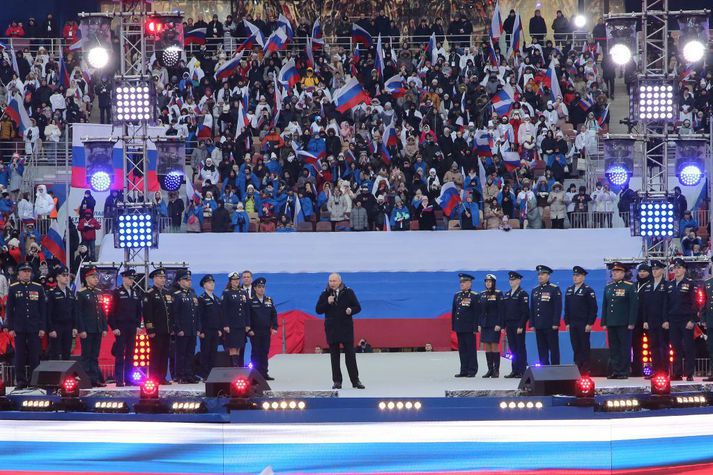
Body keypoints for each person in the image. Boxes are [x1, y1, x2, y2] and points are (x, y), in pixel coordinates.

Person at [315, 273, 365, 389]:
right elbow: (318, 310)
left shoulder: (348, 292)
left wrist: (350, 310)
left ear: (340, 281)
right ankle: (337, 381)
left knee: (350, 355)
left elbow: (358, 307)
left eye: (334, 281)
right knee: (334, 356)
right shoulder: (325, 293)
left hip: (346, 329)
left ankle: (355, 381)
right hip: (332, 329)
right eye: (330, 281)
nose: (332, 283)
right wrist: (327, 302)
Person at [4, 263, 46, 389]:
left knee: (35, 355)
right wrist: (10, 327)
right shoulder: (13, 288)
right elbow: (10, 310)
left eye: (29, 271)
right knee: (20, 355)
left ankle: (35, 380)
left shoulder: (38, 288)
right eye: (24, 271)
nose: (27, 273)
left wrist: (42, 327)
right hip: (19, 327)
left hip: (34, 327)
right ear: (19, 273)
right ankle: (21, 381)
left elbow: (42, 309)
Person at [601, 262, 638, 379]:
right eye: (613, 271)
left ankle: (624, 371)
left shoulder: (629, 286)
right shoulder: (608, 287)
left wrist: (631, 322)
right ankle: (616, 370)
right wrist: (604, 322)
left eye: (617, 271)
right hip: (611, 322)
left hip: (624, 323)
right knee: (614, 348)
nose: (614, 273)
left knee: (624, 348)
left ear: (623, 273)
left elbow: (634, 306)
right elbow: (605, 305)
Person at [75, 265, 108, 387]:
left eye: (96, 277)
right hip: (87, 329)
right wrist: (81, 329)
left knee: (95, 355)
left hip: (97, 328)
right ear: (87, 278)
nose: (96, 279)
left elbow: (102, 312)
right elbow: (79, 314)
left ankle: (95, 379)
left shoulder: (98, 293)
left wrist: (104, 327)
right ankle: (86, 379)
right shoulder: (81, 293)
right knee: (86, 355)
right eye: (93, 277)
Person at [108, 269, 142, 386]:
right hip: (121, 327)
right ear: (124, 278)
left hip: (132, 327)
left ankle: (129, 379)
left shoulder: (136, 292)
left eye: (133, 279)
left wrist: (138, 325)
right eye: (130, 278)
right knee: (119, 353)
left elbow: (139, 311)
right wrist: (114, 327)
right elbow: (111, 312)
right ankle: (118, 379)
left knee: (130, 354)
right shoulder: (117, 292)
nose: (132, 281)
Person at [666, 258, 697, 381]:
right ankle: (677, 372)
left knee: (688, 347)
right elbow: (666, 304)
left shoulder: (690, 284)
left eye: (679, 268)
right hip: (673, 319)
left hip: (686, 320)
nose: (676, 270)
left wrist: (693, 320)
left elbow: (695, 303)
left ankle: (689, 373)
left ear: (684, 269)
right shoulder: (670, 285)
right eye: (675, 268)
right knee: (675, 347)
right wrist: (666, 319)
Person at [564, 266, 598, 374]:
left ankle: (585, 367)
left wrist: (590, 323)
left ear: (583, 277)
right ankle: (577, 365)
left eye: (577, 275)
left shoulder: (588, 290)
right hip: (573, 323)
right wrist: (567, 322)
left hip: (583, 323)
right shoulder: (569, 290)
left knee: (584, 345)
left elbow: (593, 308)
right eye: (574, 275)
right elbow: (567, 308)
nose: (575, 277)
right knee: (575, 345)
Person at [143, 268, 172, 384]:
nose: (163, 279)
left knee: (165, 354)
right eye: (160, 277)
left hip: (166, 329)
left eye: (164, 277)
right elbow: (147, 313)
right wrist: (150, 329)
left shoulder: (166, 293)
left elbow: (170, 312)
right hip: (156, 330)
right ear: (154, 278)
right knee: (155, 354)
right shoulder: (149, 294)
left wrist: (172, 327)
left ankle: (162, 376)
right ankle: (154, 377)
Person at [641, 260, 669, 377]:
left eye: (657, 269)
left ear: (662, 270)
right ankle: (656, 370)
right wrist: (645, 320)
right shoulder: (648, 286)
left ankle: (664, 370)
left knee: (663, 346)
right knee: (653, 346)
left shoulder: (667, 285)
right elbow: (645, 305)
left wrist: (666, 320)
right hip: (651, 321)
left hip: (662, 321)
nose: (654, 271)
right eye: (653, 269)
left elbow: (667, 304)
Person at [171, 269, 199, 384]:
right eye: (186, 280)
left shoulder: (192, 294)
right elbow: (175, 313)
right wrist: (178, 328)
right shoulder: (176, 295)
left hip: (192, 329)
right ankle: (180, 375)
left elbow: (196, 313)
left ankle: (189, 374)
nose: (189, 282)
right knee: (181, 354)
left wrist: (198, 328)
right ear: (179, 281)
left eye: (190, 280)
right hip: (183, 330)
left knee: (190, 353)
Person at [530, 265, 562, 365]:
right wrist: (532, 323)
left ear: (548, 276)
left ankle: (555, 369)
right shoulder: (535, 290)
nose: (540, 276)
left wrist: (556, 322)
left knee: (553, 349)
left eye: (543, 274)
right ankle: (544, 369)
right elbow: (533, 308)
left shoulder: (554, 289)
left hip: (550, 325)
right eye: (539, 274)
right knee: (541, 349)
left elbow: (558, 307)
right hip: (539, 325)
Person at [247, 277, 278, 381]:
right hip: (255, 331)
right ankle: (255, 374)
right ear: (255, 288)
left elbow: (273, 314)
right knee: (256, 352)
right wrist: (249, 329)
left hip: (265, 331)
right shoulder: (251, 301)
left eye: (263, 287)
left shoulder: (268, 300)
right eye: (259, 287)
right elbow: (248, 316)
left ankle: (264, 373)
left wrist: (274, 327)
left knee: (264, 352)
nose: (261, 289)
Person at [450, 273, 479, 378]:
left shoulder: (474, 296)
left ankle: (472, 370)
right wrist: (454, 326)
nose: (461, 284)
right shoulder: (457, 295)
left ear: (470, 283)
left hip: (469, 327)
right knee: (462, 349)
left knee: (470, 349)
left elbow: (477, 313)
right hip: (459, 327)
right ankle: (463, 370)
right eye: (461, 282)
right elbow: (454, 312)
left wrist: (476, 327)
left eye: (464, 282)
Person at [503, 271, 529, 378]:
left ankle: (522, 370)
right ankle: (514, 369)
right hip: (509, 325)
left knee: (520, 348)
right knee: (512, 349)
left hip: (518, 325)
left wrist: (521, 325)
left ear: (519, 281)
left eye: (513, 280)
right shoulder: (507, 294)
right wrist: (504, 325)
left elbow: (525, 312)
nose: (511, 281)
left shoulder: (523, 294)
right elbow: (505, 311)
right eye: (510, 280)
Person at [222, 272, 250, 367]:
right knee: (233, 346)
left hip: (241, 324)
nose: (236, 281)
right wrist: (225, 324)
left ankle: (237, 364)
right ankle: (234, 365)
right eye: (234, 280)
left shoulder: (243, 292)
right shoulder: (226, 293)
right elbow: (224, 310)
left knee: (239, 346)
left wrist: (247, 324)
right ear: (230, 281)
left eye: (237, 279)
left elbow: (246, 309)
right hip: (231, 324)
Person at [47, 266, 75, 360]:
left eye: (67, 275)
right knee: (54, 351)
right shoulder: (52, 293)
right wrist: (50, 329)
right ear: (57, 277)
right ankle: (54, 374)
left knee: (67, 351)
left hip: (68, 326)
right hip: (56, 326)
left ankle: (66, 375)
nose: (67, 277)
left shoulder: (70, 293)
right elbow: (48, 313)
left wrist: (75, 327)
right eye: (64, 275)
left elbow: (74, 311)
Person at [197, 274, 222, 379]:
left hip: (215, 330)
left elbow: (220, 315)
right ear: (204, 285)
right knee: (205, 352)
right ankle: (205, 374)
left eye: (213, 282)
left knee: (213, 353)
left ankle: (212, 373)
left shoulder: (216, 299)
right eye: (209, 282)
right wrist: (200, 330)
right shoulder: (201, 298)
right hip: (206, 330)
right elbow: (199, 316)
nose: (212, 284)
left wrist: (220, 329)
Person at [478, 274, 504, 378]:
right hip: (485, 323)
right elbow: (480, 311)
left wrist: (499, 324)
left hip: (494, 324)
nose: (488, 283)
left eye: (490, 281)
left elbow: (501, 310)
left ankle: (496, 370)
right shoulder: (482, 294)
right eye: (486, 281)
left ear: (494, 283)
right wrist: (479, 323)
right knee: (487, 346)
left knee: (494, 345)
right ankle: (490, 369)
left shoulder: (498, 293)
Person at [631, 263, 651, 377]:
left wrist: (647, 320)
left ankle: (651, 369)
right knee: (636, 345)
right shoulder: (634, 285)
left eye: (644, 271)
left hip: (648, 319)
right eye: (640, 271)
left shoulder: (651, 284)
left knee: (651, 345)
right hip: (636, 320)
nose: (642, 273)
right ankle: (636, 370)